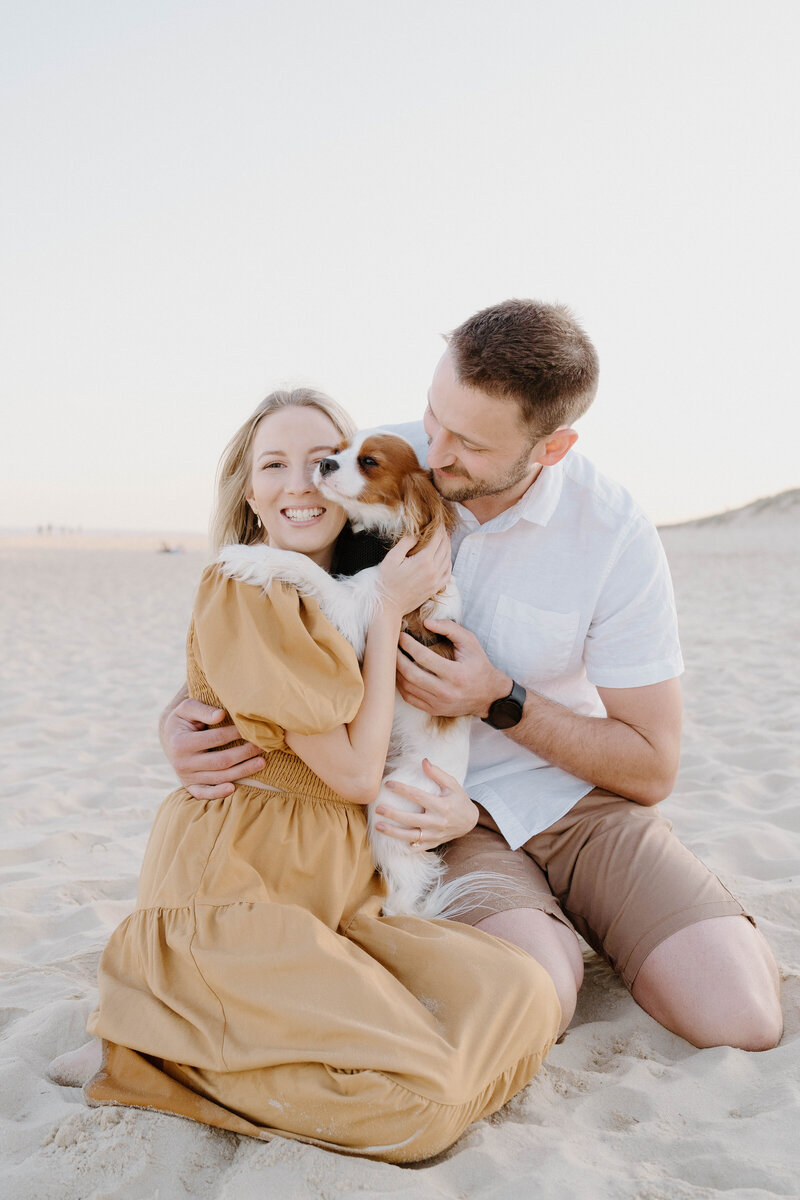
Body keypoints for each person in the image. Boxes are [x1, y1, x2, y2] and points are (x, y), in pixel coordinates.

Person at [163, 302, 782, 1052]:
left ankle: (614, 913)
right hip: (434, 815)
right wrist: (180, 713)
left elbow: (653, 767)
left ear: (552, 448)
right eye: (435, 415)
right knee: (533, 999)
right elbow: (265, 597)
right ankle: (542, 928)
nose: (435, 449)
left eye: (469, 443)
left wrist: (500, 699)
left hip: (577, 804)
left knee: (741, 1018)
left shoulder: (611, 531)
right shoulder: (372, 464)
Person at [55, 387, 560, 1164]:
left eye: (320, 460)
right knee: (421, 1107)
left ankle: (202, 1035)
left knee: (518, 993)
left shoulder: (344, 593)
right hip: (238, 888)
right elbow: (359, 773)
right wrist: (389, 607)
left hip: (338, 897)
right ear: (250, 493)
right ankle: (146, 1050)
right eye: (274, 464)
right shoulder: (254, 585)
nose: (302, 479)